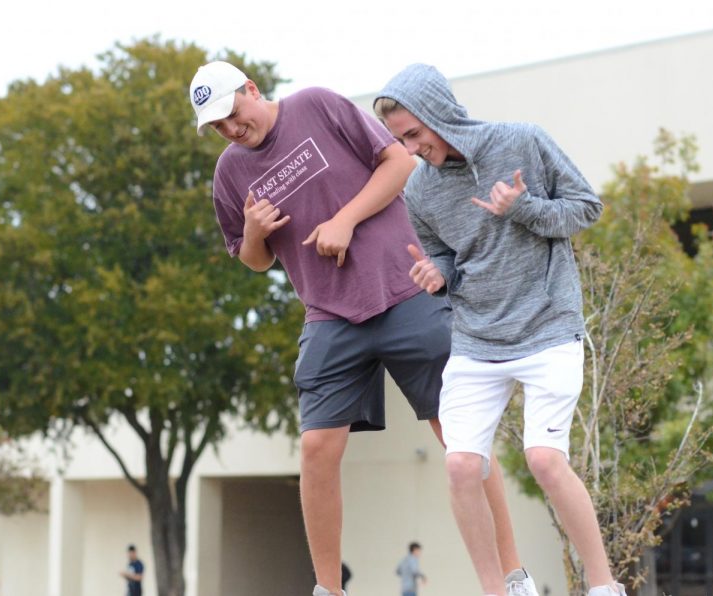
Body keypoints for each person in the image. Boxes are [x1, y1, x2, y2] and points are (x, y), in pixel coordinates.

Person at [190, 61, 536, 596]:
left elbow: (398, 163)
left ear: (252, 90)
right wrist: (255, 233)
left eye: (233, 114)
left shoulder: (317, 105)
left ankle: (511, 577)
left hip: (407, 290)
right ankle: (329, 589)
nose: (231, 130)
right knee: (315, 449)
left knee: (461, 442)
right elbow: (252, 259)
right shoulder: (229, 173)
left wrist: (346, 219)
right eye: (218, 127)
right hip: (330, 315)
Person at [374, 64, 627, 596]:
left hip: (548, 325)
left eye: (415, 134)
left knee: (544, 460)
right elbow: (444, 256)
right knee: (462, 466)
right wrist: (438, 274)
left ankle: (604, 586)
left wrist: (524, 207)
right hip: (477, 337)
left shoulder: (523, 141)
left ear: (440, 114)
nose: (411, 148)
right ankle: (501, 590)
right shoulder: (418, 191)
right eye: (401, 140)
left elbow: (586, 208)